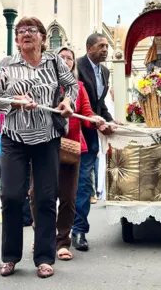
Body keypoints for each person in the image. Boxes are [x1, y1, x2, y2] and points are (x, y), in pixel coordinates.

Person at [0, 16, 77, 279]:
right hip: (14, 139)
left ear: (42, 36)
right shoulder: (6, 64)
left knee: (45, 196)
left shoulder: (54, 61)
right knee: (11, 196)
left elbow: (71, 85)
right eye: (20, 31)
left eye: (31, 30)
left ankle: (43, 257)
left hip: (47, 138)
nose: (25, 34)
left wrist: (67, 101)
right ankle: (10, 256)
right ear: (16, 39)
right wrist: (14, 101)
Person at [29, 46, 103, 261]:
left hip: (70, 148)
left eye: (69, 58)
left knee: (68, 197)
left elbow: (87, 115)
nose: (65, 60)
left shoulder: (79, 87)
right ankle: (43, 237)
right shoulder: (41, 83)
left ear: (73, 64)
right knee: (38, 195)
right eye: (61, 57)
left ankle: (62, 241)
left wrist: (96, 121)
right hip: (42, 145)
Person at [72, 33, 115, 251]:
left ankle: (79, 230)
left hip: (91, 133)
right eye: (101, 46)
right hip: (71, 131)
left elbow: (99, 104)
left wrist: (110, 121)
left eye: (107, 46)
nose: (106, 50)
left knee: (83, 182)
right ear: (89, 48)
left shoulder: (105, 72)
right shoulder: (76, 66)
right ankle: (55, 231)